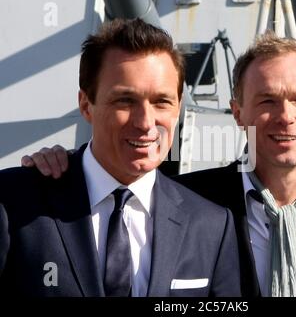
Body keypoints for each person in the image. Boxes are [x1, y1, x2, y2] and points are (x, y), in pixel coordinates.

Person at [21, 31, 296, 297]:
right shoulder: (196, 202)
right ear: (238, 113)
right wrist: (66, 167)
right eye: (267, 100)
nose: (286, 117)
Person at [0, 18, 241, 297]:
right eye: (124, 101)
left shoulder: (210, 224)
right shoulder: (13, 203)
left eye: (161, 101)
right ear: (85, 105)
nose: (145, 122)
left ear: (177, 109)